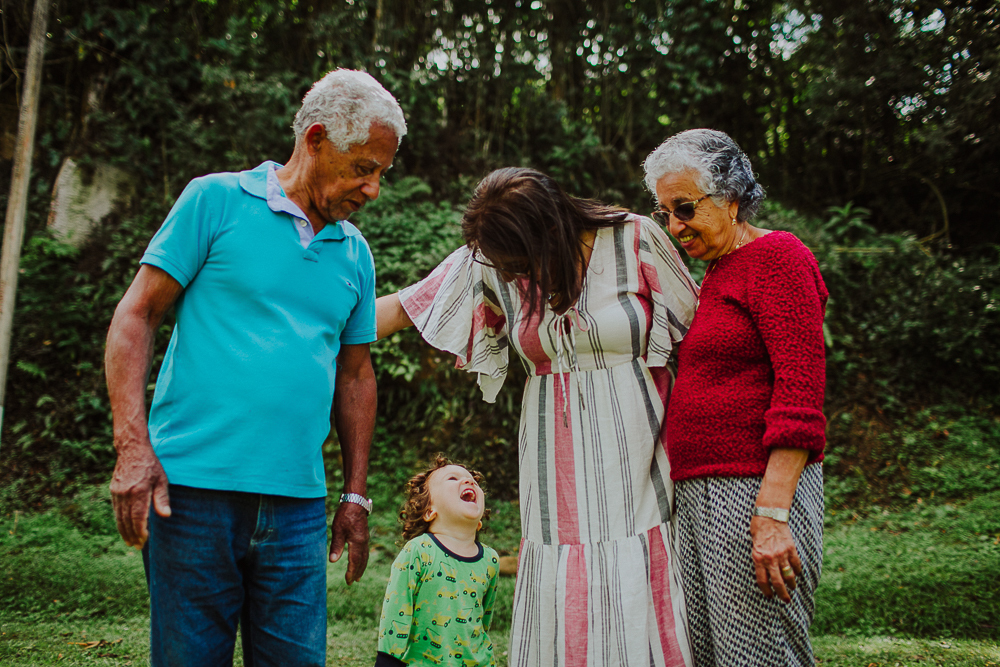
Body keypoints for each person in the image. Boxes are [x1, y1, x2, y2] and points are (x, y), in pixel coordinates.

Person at [104, 69, 407, 667]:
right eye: (363, 168)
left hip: (296, 509)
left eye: (381, 173)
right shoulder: (214, 201)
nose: (373, 189)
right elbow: (135, 317)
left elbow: (355, 376)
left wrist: (355, 494)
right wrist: (132, 448)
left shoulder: (354, 252)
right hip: (190, 496)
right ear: (316, 139)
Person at [377, 167, 699, 667]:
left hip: (639, 447)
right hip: (553, 461)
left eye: (514, 262)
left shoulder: (635, 238)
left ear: (548, 231)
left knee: (636, 567)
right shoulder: (488, 259)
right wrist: (301, 330)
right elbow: (402, 308)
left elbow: (700, 338)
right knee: (561, 566)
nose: (507, 274)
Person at [642, 128, 828, 667]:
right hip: (699, 494)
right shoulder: (717, 272)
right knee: (709, 654)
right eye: (665, 212)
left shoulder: (778, 257)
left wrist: (772, 514)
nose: (676, 227)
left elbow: (800, 392)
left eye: (684, 208)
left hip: (753, 490)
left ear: (731, 197)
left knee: (760, 654)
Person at [375, 456, 500, 667]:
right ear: (429, 511)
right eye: (452, 478)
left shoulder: (490, 560)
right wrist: (387, 660)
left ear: (479, 521)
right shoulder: (418, 551)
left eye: (474, 482)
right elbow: (396, 613)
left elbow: (483, 620)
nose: (469, 482)